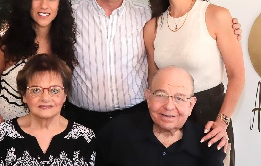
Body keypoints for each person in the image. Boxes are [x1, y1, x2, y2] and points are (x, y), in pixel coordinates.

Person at [0, 0, 242, 134]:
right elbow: (35, 19)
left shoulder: (149, 17)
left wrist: (229, 30)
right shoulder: (70, 14)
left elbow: (183, 30)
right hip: (80, 119)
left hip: (135, 118)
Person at [143, 0, 245, 166]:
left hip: (211, 115)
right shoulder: (152, 27)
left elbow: (237, 76)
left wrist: (222, 121)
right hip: (169, 117)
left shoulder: (216, 15)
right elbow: (153, 80)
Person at [0, 0, 76, 140]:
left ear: (60, 4)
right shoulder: (4, 45)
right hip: (9, 135)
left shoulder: (66, 46)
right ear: (26, 1)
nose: (44, 5)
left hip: (52, 137)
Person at [96, 66, 226, 166]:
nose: (169, 106)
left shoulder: (209, 142)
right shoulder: (117, 130)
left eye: (179, 98)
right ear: (148, 98)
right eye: (161, 95)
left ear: (191, 104)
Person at [0, 53, 96, 165]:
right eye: (36, 90)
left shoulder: (84, 138)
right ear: (24, 95)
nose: (45, 98)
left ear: (65, 94)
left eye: (54, 90)